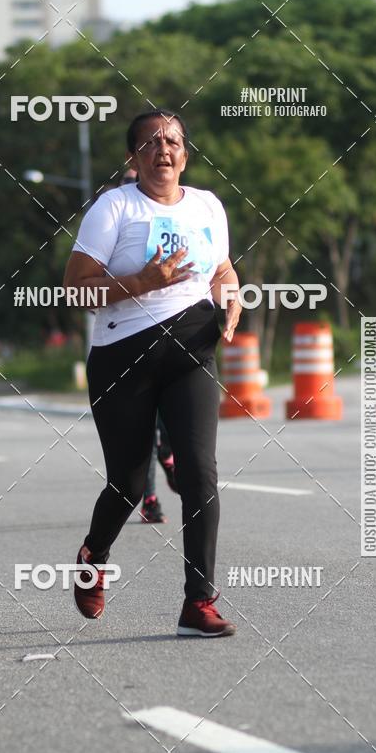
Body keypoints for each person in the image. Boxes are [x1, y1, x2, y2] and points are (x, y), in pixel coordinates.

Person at [63, 108, 242, 637]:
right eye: (151, 142)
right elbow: (76, 286)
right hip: (125, 355)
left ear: (185, 154)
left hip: (193, 347)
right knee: (129, 481)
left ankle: (198, 603)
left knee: (199, 474)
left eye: (174, 142)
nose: (164, 150)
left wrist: (230, 303)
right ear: (133, 157)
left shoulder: (209, 206)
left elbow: (222, 270)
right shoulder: (113, 208)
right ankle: (94, 554)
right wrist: (141, 281)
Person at [118, 166, 176, 526]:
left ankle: (169, 455)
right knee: (141, 434)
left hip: (171, 339)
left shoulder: (171, 221)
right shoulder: (113, 229)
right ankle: (150, 500)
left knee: (167, 424)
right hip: (126, 343)